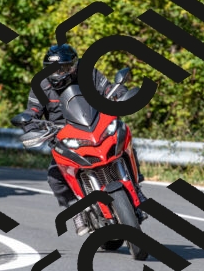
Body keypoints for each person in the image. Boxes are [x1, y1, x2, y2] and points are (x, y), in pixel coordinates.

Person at [17, 44, 147, 236]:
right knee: (54, 176)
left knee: (123, 141)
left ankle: (136, 187)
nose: (59, 73)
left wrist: (120, 94)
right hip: (65, 136)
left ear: (74, 65)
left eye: (65, 67)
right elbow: (32, 111)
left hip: (97, 126)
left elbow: (108, 89)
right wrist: (30, 124)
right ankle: (77, 209)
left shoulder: (88, 73)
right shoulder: (41, 86)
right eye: (54, 69)